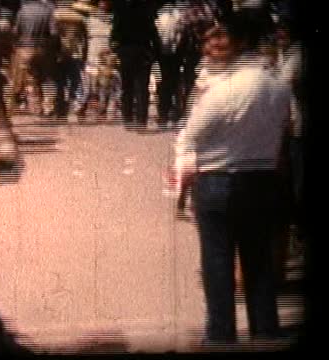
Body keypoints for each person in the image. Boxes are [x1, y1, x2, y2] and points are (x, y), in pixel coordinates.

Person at [172, 10, 290, 345]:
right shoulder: (278, 86)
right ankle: (266, 329)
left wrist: (184, 176)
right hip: (261, 177)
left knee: (218, 260)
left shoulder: (224, 89)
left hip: (218, 178)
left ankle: (222, 335)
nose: (214, 44)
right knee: (259, 260)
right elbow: (285, 126)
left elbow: (190, 133)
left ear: (240, 43)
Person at [110, 0, 160, 130]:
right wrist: (155, 51)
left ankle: (128, 119)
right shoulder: (147, 11)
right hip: (143, 51)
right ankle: (141, 121)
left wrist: (116, 49)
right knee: (142, 87)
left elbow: (115, 33)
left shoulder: (120, 11)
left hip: (125, 51)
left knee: (127, 87)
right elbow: (153, 33)